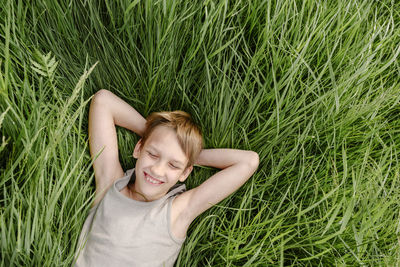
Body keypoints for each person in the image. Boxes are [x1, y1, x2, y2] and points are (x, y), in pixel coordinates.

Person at [74, 89, 259, 266]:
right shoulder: (110, 184)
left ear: (185, 172)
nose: (157, 169)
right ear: (138, 149)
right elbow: (103, 101)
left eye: (173, 165)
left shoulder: (177, 212)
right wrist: (154, 135)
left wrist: (190, 155)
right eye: (153, 154)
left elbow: (248, 161)